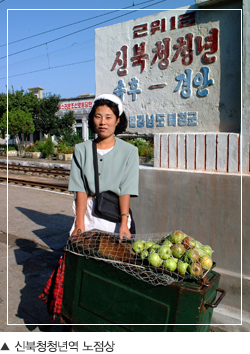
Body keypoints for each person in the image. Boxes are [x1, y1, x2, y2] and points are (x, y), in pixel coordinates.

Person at [68, 93, 139, 242]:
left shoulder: (129, 151)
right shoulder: (81, 150)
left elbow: (125, 190)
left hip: (115, 214)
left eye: (108, 117)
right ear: (92, 119)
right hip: (87, 214)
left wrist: (124, 223)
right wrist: (80, 223)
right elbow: (80, 189)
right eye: (98, 116)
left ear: (117, 120)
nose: (102, 122)